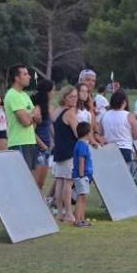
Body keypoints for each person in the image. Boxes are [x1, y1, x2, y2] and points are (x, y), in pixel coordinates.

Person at [51, 86, 79, 224]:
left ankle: (60, 213)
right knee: (68, 182)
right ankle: (68, 213)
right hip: (69, 150)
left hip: (59, 149)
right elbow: (77, 133)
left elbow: (54, 132)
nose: (74, 99)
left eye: (75, 96)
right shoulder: (70, 113)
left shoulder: (56, 111)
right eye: (71, 97)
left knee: (60, 181)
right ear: (64, 97)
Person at [101, 89, 137, 178]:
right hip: (124, 148)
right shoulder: (129, 115)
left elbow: (101, 133)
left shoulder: (105, 115)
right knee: (125, 177)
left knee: (112, 176)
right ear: (124, 102)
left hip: (109, 148)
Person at [32, 78, 55, 196]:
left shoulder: (49, 108)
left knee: (41, 183)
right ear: (46, 92)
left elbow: (50, 126)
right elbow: (31, 131)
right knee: (34, 183)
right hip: (37, 147)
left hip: (46, 148)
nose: (53, 93)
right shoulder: (37, 109)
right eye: (52, 91)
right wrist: (42, 145)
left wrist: (56, 141)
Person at [72, 122, 94, 228]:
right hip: (81, 176)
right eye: (91, 132)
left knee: (83, 198)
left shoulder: (83, 144)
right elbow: (81, 161)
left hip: (85, 176)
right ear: (86, 133)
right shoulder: (82, 145)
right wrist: (81, 176)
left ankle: (82, 219)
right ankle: (77, 220)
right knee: (80, 198)